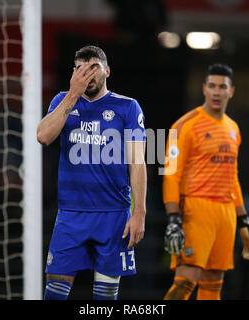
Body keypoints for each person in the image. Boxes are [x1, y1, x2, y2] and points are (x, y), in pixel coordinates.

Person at [37, 45, 147, 300]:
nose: (87, 74)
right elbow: (43, 136)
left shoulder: (128, 107)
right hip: (70, 214)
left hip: (113, 215)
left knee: (104, 300)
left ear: (107, 71)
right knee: (53, 295)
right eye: (80, 68)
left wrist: (139, 211)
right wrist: (72, 95)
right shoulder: (62, 100)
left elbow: (138, 162)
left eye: (93, 67)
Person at [162, 64, 249, 300]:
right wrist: (174, 218)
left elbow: (232, 176)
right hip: (196, 210)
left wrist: (243, 218)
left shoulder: (233, 128)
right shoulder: (184, 125)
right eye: (212, 86)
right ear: (204, 88)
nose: (216, 92)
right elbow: (171, 173)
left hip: (225, 215)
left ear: (231, 91)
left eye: (222, 87)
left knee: (213, 283)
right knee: (185, 282)